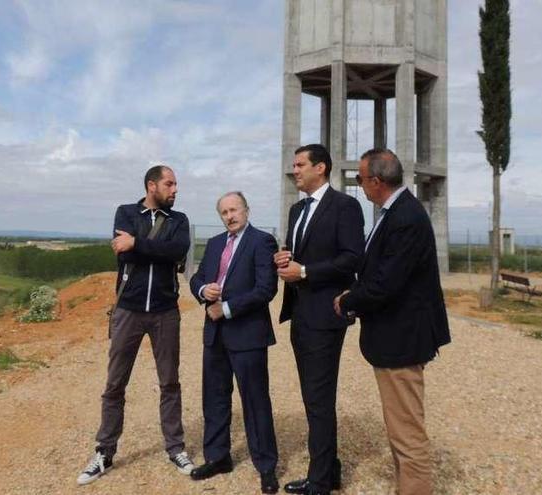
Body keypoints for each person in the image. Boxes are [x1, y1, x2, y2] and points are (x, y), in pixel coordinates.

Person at [334, 149, 451, 495]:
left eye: (360, 178)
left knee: (407, 431)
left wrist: (348, 299)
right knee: (399, 426)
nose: (360, 185)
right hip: (394, 337)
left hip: (403, 340)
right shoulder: (395, 212)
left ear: (376, 181)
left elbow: (386, 282)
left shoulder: (405, 217)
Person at [77, 164, 196, 485]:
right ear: (151, 185)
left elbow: (177, 249)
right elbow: (123, 255)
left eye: (176, 185)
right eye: (169, 184)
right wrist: (150, 250)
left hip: (164, 311)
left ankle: (175, 448)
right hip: (128, 310)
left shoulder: (180, 220)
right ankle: (104, 452)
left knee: (170, 382)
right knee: (115, 384)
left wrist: (139, 244)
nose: (175, 190)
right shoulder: (126, 212)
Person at [274, 144, 365, 495]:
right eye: (293, 165)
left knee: (318, 398)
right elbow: (295, 253)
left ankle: (320, 481)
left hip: (326, 317)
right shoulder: (297, 209)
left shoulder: (345, 206)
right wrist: (283, 258)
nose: (294, 170)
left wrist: (306, 271)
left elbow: (352, 259)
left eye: (300, 165)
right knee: (315, 396)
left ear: (321, 168)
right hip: (299, 314)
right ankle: (331, 469)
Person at [188, 191, 280, 494]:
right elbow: (196, 277)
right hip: (214, 335)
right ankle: (217, 457)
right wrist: (204, 291)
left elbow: (266, 289)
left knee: (255, 402)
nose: (230, 216)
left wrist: (225, 308)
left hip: (247, 333)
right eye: (224, 212)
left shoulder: (261, 242)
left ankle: (266, 466)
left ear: (246, 210)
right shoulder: (215, 244)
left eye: (234, 210)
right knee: (214, 399)